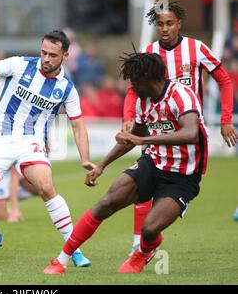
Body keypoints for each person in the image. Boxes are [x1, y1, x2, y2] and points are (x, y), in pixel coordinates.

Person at [43, 51, 209, 274]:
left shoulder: (181, 95)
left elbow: (191, 133)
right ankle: (61, 260)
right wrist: (102, 165)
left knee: (149, 229)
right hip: (153, 163)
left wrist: (143, 139)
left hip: (183, 176)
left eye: (134, 81)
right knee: (107, 202)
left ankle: (143, 252)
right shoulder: (143, 102)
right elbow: (132, 139)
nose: (130, 87)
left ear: (148, 78)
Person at [0, 30, 96, 266]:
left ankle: (73, 248)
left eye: (52, 55)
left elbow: (78, 126)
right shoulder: (20, 65)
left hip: (31, 141)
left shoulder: (67, 88)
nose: (46, 58)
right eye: (43, 52)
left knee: (45, 186)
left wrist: (85, 158)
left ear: (64, 55)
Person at [122, 2, 238, 255]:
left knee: (170, 184)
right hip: (156, 128)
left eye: (169, 23)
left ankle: (158, 225)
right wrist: (129, 117)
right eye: (160, 24)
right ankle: (137, 243)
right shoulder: (149, 52)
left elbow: (224, 80)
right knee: (142, 177)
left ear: (179, 24)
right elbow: (133, 90)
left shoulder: (196, 49)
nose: (164, 29)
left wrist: (226, 119)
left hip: (188, 133)